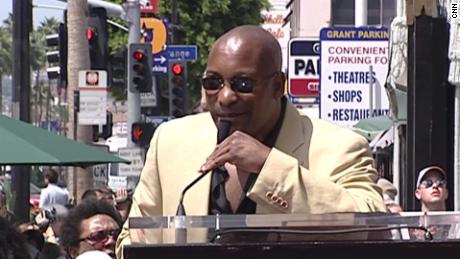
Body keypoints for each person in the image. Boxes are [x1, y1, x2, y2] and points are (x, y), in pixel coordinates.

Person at [116, 25, 386, 256]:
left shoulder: (340, 147)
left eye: (242, 84)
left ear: (278, 86)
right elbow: (133, 238)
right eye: (213, 83)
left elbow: (372, 225)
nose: (225, 97)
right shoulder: (171, 141)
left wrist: (269, 167)